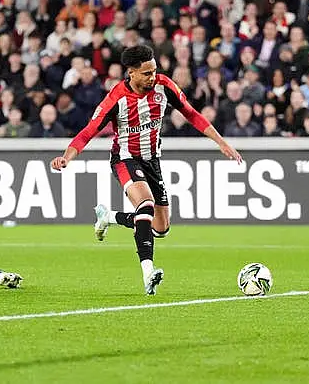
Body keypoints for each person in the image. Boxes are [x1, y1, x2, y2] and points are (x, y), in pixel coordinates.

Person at [50, 45, 242, 295]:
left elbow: (192, 114)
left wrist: (222, 143)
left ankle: (109, 217)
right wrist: (66, 157)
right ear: (131, 73)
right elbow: (88, 132)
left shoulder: (164, 86)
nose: (153, 77)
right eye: (146, 73)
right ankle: (148, 272)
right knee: (146, 206)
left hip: (153, 161)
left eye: (154, 71)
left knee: (160, 228)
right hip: (125, 159)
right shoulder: (116, 98)